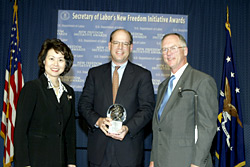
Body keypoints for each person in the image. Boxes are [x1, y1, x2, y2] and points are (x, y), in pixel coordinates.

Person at [78, 29, 155, 167]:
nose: (120, 47)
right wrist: (98, 120)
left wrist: (128, 128)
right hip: (98, 152)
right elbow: (83, 104)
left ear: (131, 47)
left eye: (125, 43)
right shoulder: (94, 73)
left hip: (128, 152)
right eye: (116, 43)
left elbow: (147, 109)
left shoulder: (142, 75)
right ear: (109, 45)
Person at [150, 33, 218, 167]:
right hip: (161, 161)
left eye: (173, 48)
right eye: (164, 49)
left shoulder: (202, 81)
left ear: (185, 50)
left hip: (187, 162)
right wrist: (153, 160)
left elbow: (207, 127)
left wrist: (197, 163)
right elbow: (158, 127)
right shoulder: (163, 86)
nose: (168, 53)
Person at [14, 39, 76, 167]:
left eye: (61, 60)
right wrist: (24, 164)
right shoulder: (32, 88)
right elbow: (20, 131)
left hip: (60, 161)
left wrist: (71, 163)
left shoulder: (69, 92)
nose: (56, 64)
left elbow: (70, 132)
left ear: (66, 64)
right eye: (51, 58)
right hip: (35, 161)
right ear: (44, 61)